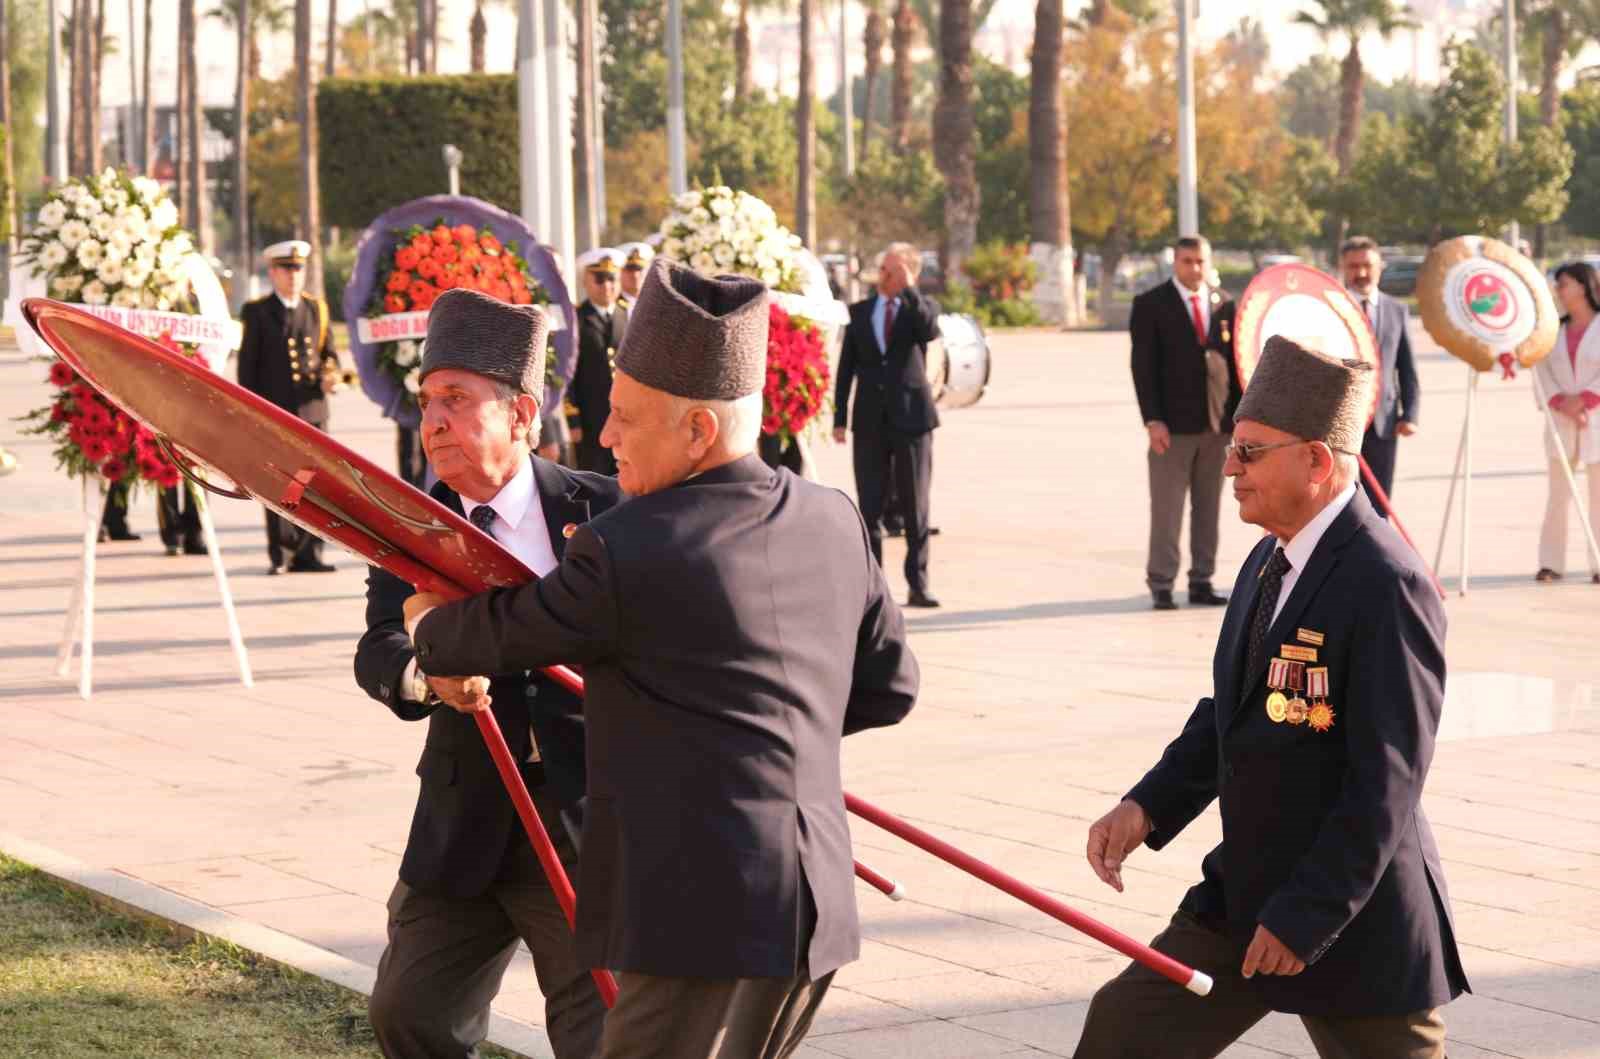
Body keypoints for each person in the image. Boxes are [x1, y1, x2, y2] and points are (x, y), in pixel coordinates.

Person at [401, 260, 920, 1059]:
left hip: (693, 914)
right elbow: (890, 688)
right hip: (813, 908)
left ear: (697, 431)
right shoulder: (831, 516)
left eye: (626, 419)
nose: (605, 438)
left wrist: (430, 626)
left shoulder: (627, 542)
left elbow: (511, 631)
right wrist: (767, 734)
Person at [1076, 335, 1469, 1058]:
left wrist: (1307, 914)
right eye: (1233, 447)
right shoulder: (1270, 555)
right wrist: (1147, 805)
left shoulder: (1387, 583)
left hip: (1349, 909)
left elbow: (1387, 781)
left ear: (1317, 460)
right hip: (1247, 890)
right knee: (1121, 1034)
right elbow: (1231, 711)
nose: (1228, 467)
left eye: (1250, 452)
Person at [354, 288, 623, 1059]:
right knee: (409, 1015)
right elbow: (379, 646)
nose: (432, 420)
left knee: (600, 1032)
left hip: (579, 822)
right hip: (464, 813)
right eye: (426, 399)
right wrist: (422, 676)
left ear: (523, 415)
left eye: (457, 399)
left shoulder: (604, 512)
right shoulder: (408, 529)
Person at [833, 242, 943, 608]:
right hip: (869, 421)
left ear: (907, 273)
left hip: (912, 419)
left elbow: (929, 331)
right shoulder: (860, 312)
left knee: (916, 505)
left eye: (891, 271)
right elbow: (846, 368)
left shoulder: (917, 310)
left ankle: (918, 582)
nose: (883, 276)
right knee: (870, 504)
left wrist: (910, 289)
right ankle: (874, 588)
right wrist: (839, 419)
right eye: (882, 269)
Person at [1130, 235, 1232, 610]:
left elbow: (1234, 367)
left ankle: (1202, 580)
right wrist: (1153, 420)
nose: (1195, 269)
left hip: (1217, 426)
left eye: (1200, 261)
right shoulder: (1150, 305)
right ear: (1175, 262)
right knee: (1167, 509)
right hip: (1171, 428)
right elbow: (1143, 368)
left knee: (1210, 508)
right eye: (1187, 261)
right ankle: (1161, 582)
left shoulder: (1225, 304)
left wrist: (1237, 420)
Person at [236, 240, 341, 574]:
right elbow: (248, 370)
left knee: (314, 486)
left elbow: (330, 356)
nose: (294, 276)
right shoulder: (257, 312)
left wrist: (331, 376)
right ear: (273, 272)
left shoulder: (317, 310)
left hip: (312, 412)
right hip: (276, 413)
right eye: (286, 269)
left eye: (298, 269)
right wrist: (250, 418)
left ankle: (311, 553)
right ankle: (281, 554)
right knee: (278, 484)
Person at [1340, 236, 1418, 507]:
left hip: (1383, 423)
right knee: (1339, 501)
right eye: (1353, 266)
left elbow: (1406, 368)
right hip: (1338, 422)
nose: (1360, 273)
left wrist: (1410, 414)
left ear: (1380, 267)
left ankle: (1374, 549)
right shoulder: (1331, 307)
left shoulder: (1397, 311)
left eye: (1367, 265)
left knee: (1379, 503)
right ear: (1342, 267)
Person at [1534, 261, 1600, 584]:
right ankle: (1551, 563)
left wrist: (1586, 400)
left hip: (1595, 420)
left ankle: (1598, 563)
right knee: (1558, 495)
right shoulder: (1553, 331)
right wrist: (1562, 402)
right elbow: (1541, 372)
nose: (1559, 291)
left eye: (1563, 284)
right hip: (1560, 421)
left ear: (1583, 286)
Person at [567, 247, 629, 476]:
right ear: (585, 280)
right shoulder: (576, 319)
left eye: (611, 278)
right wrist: (572, 419)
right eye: (599, 279)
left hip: (623, 415)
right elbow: (568, 375)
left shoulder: (626, 316)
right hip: (590, 418)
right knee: (594, 477)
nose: (607, 286)